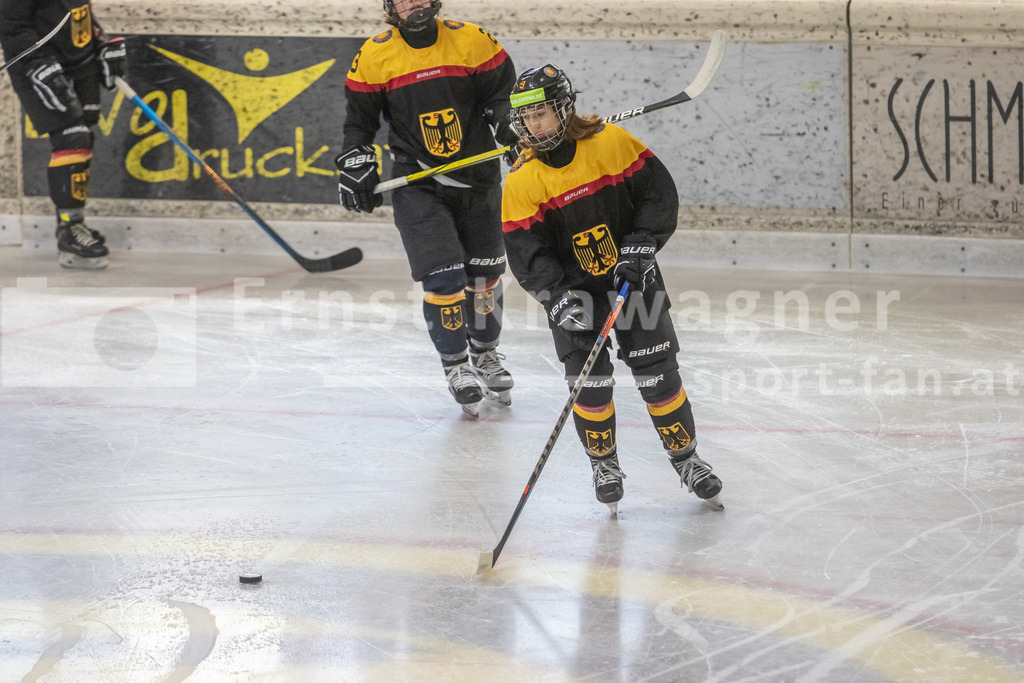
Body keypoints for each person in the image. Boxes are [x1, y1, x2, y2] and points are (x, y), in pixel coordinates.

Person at [501, 64, 724, 511]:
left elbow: (657, 195)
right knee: (591, 386)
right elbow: (528, 254)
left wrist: (643, 243)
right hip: (574, 293)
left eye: (541, 113)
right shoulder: (522, 181)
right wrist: (556, 297)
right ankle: (603, 463)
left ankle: (687, 459)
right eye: (525, 118)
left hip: (632, 280)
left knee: (659, 375)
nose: (533, 125)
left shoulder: (612, 144)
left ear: (565, 110)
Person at [336, 0, 518, 417]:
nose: (413, 5)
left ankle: (486, 355)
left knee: (484, 277)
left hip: (479, 181)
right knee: (444, 278)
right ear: (389, 7)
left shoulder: (471, 40)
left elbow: (502, 97)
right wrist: (357, 164)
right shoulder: (375, 55)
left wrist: (510, 126)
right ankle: (456, 365)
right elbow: (359, 125)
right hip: (419, 184)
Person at [0, 0, 126, 270]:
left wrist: (100, 39)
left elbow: (76, 9)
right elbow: (11, 25)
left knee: (83, 142)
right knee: (73, 137)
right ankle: (71, 229)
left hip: (81, 61)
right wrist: (37, 65)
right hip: (38, 66)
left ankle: (69, 225)